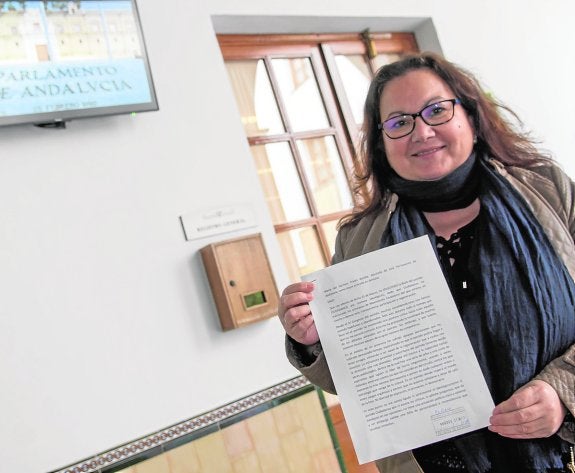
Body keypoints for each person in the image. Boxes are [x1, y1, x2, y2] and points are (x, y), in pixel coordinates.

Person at [278, 52, 575, 473]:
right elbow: (362, 384)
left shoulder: (551, 193)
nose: (421, 131)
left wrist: (563, 392)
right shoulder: (358, 239)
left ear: (470, 117)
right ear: (381, 144)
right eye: (399, 123)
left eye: (437, 111)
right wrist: (312, 340)